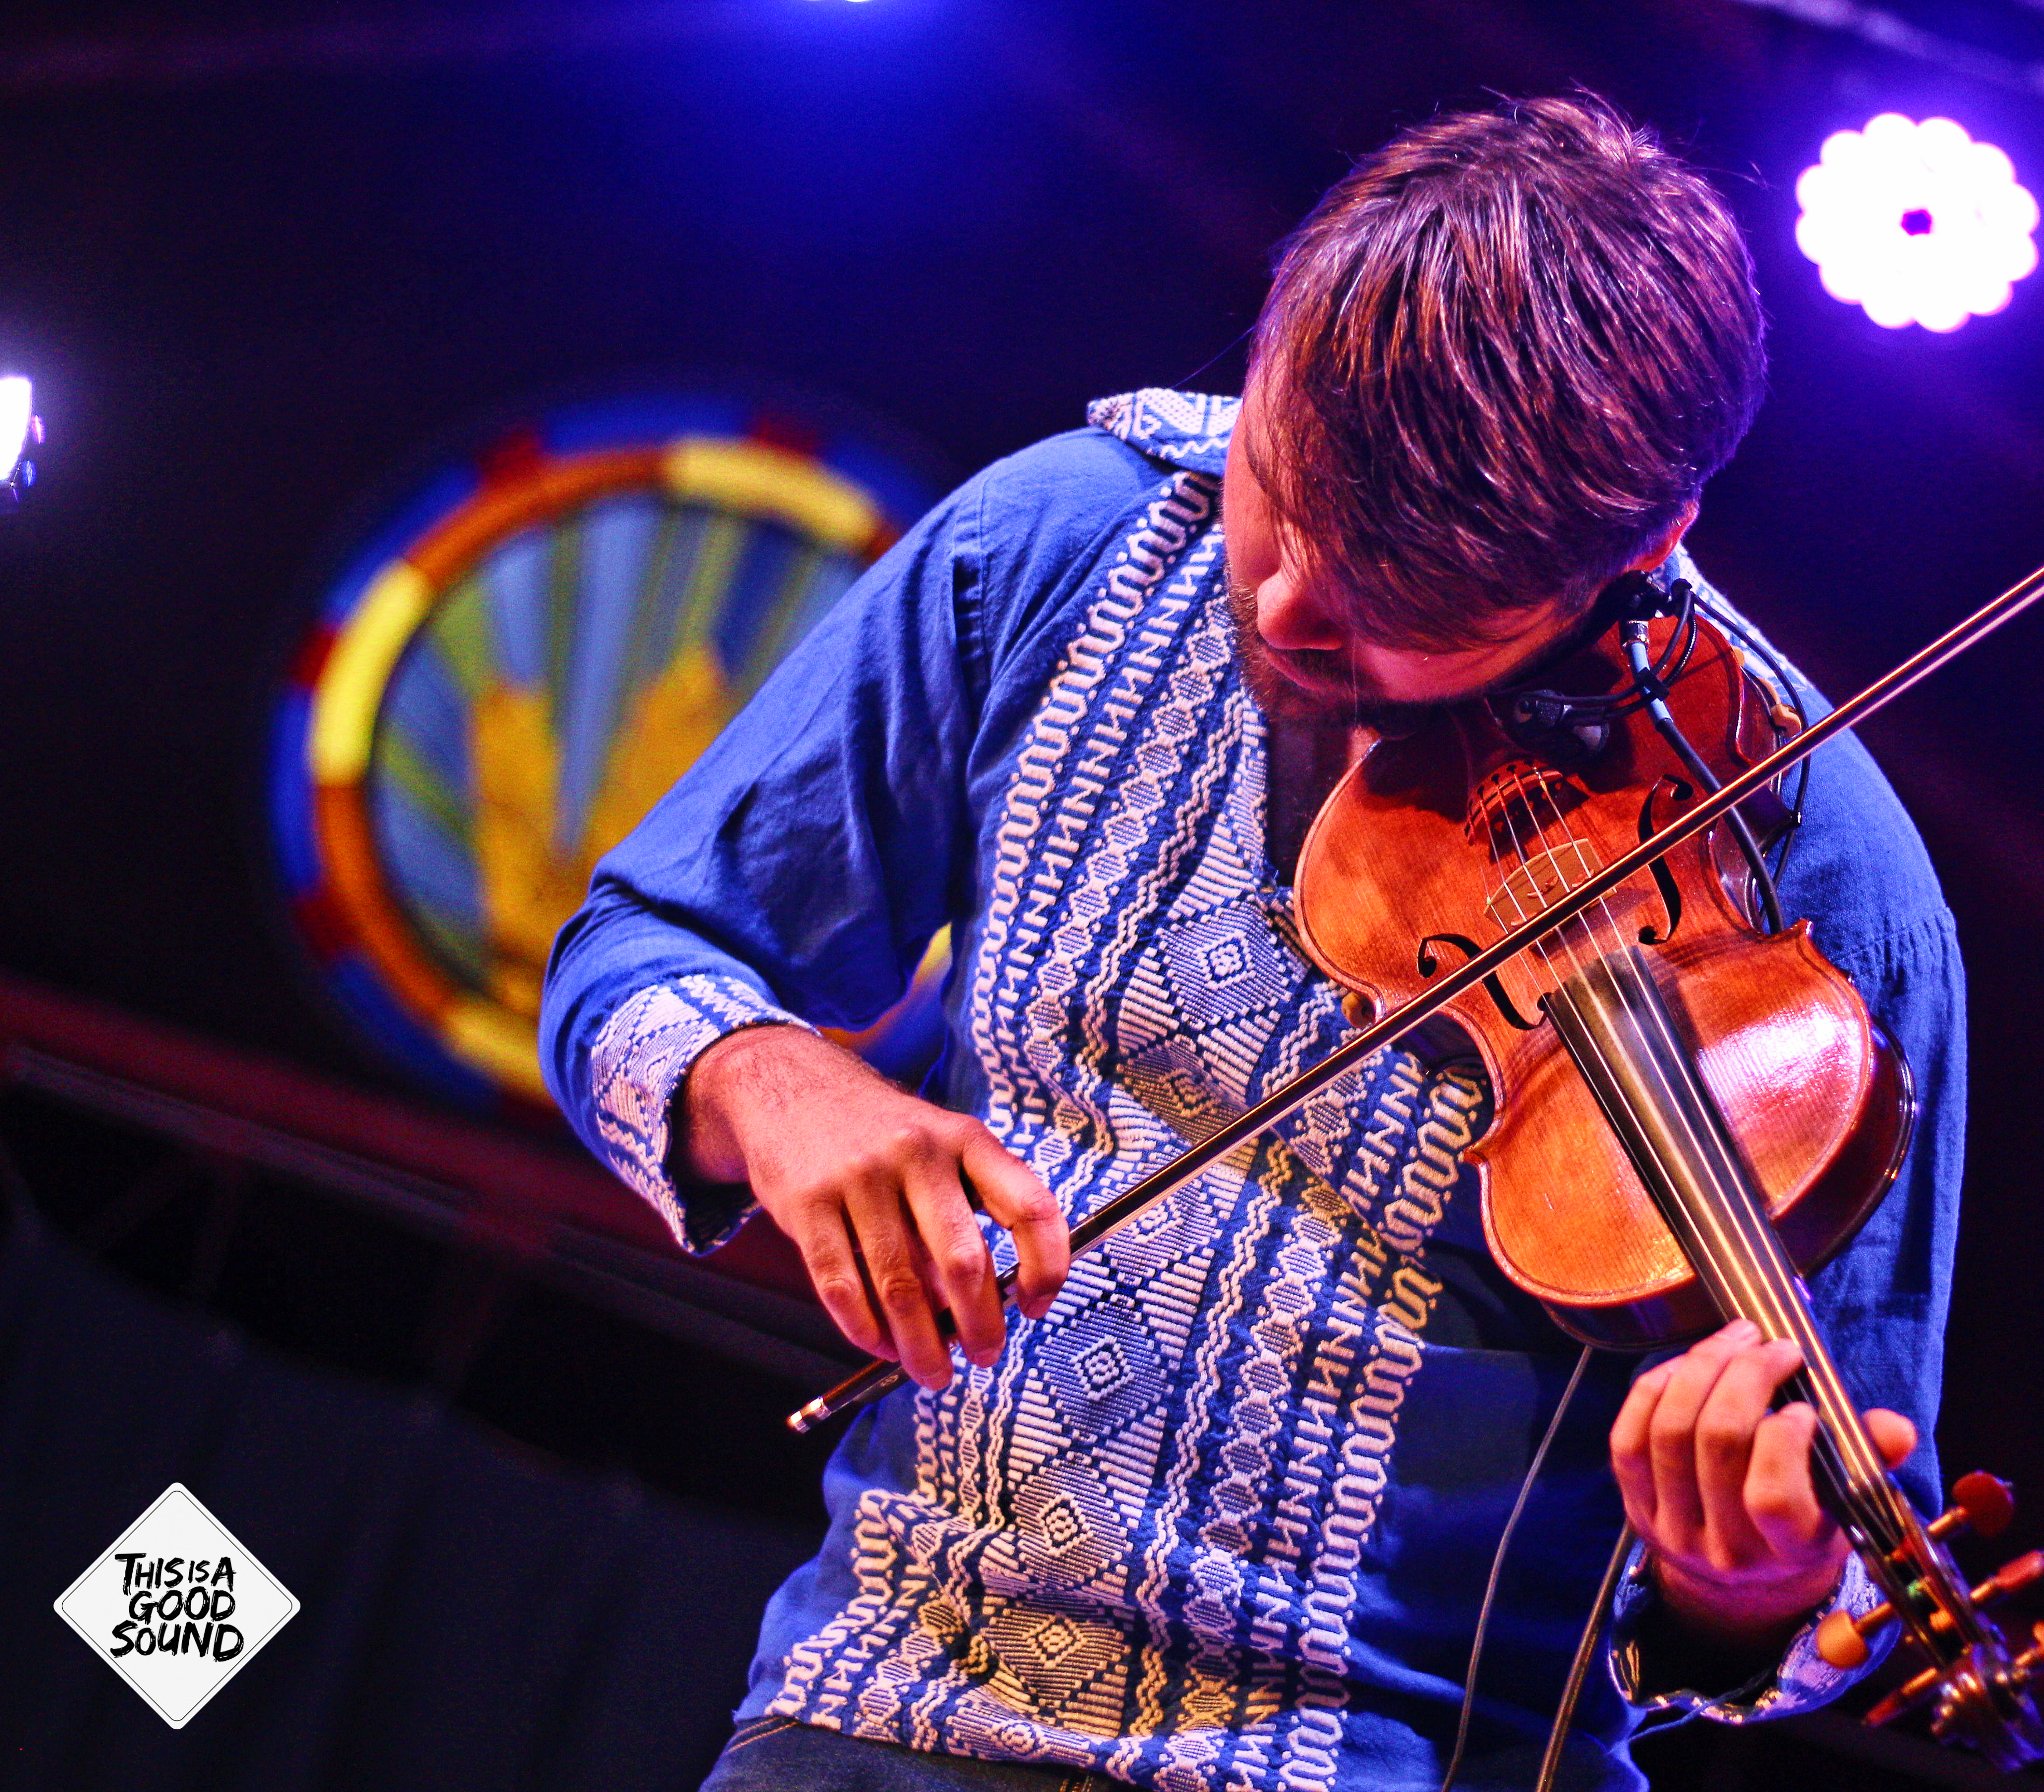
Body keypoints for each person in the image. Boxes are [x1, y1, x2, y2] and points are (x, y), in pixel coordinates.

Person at [542, 95, 1964, 1792]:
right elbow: (637, 953)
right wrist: (777, 1087)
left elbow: (1853, 1565)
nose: (1285, 602)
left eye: (1406, 598)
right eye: (1281, 487)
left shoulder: (1815, 873)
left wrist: (1751, 1586)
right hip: (874, 1721)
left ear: (1636, 553)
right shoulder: (1062, 540)